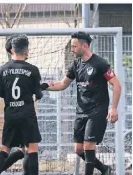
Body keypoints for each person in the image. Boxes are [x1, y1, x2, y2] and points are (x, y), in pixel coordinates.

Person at [41, 31, 121, 175]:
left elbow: (116, 84)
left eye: (74, 46)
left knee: (89, 147)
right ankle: (105, 170)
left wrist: (113, 108)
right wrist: (45, 86)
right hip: (81, 111)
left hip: (97, 111)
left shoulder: (100, 64)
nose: (72, 49)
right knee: (78, 150)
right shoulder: (75, 65)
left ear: (84, 46)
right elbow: (62, 84)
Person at [0, 35, 43, 175]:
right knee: (31, 149)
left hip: (10, 115)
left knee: (5, 149)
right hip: (27, 115)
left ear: (12, 50)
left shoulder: (2, 70)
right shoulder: (33, 70)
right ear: (26, 50)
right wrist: (41, 88)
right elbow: (38, 94)